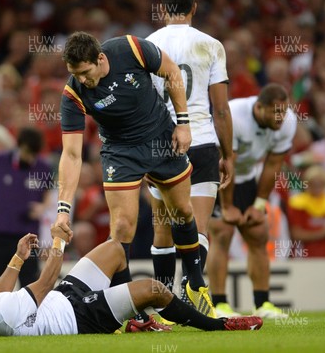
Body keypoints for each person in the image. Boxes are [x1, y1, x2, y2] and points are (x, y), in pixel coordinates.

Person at [55, 31, 214, 321]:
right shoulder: (74, 94)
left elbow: (172, 72)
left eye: (86, 73)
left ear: (100, 59)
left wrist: (184, 123)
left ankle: (195, 285)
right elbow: (72, 155)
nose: (82, 80)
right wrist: (63, 210)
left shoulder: (131, 48)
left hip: (161, 138)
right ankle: (131, 313)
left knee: (182, 211)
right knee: (123, 228)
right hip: (120, 152)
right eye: (75, 74)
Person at [0, 220, 263, 335]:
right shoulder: (0, 317)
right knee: (155, 289)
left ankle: (137, 321)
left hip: (62, 298)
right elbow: (44, 283)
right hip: (78, 317)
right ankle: (217, 326)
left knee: (115, 249)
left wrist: (17, 258)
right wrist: (57, 239)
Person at [144, 0, 233, 315]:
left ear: (163, 8)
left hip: (163, 144)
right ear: (194, 7)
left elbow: (144, 104)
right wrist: (229, 155)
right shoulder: (211, 45)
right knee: (198, 226)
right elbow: (221, 108)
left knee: (163, 228)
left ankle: (163, 305)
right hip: (202, 141)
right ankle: (191, 288)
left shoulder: (147, 45)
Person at [207, 83, 296, 319]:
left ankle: (262, 304)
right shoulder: (235, 115)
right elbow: (226, 161)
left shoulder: (287, 122)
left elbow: (273, 165)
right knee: (222, 234)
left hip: (245, 179)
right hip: (216, 176)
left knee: (258, 234)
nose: (280, 118)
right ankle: (219, 305)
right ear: (259, 107)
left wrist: (258, 205)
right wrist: (227, 206)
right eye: (275, 112)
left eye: (283, 112)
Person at [0, 127, 55, 292]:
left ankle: (31, 318)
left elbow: (49, 195)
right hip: (0, 232)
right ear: (19, 146)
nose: (29, 156)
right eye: (27, 151)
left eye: (33, 153)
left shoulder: (43, 167)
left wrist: (42, 207)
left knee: (29, 283)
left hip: (28, 235)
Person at [287, 165, 325, 257]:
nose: (317, 186)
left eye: (321, 183)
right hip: (303, 255)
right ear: (307, 183)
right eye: (313, 183)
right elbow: (296, 235)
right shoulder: (297, 203)